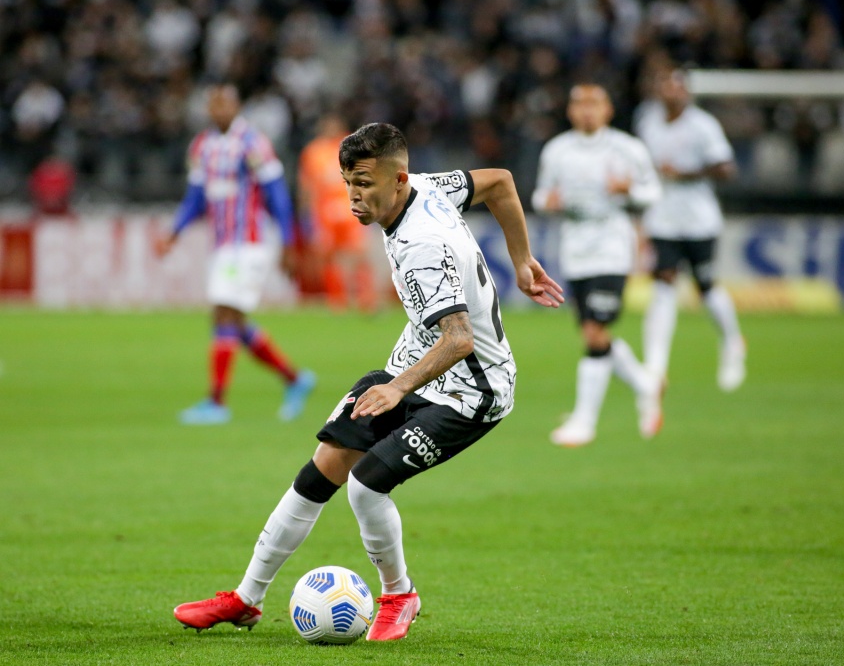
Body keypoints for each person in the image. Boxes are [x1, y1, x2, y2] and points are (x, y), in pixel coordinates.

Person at [172, 123, 564, 641]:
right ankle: (246, 599)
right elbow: (500, 183)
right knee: (322, 469)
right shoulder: (427, 186)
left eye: (364, 184)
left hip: (473, 391)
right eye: (348, 183)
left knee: (365, 484)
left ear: (398, 179)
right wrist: (521, 261)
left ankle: (400, 594)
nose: (354, 197)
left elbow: (459, 340)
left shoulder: (423, 244)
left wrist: (397, 388)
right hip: (415, 366)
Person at [155, 83, 315, 425]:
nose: (219, 109)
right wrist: (174, 232)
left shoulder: (253, 143)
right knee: (234, 321)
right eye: (213, 104)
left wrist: (288, 242)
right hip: (223, 245)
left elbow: (276, 195)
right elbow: (196, 197)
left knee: (223, 314)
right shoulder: (202, 146)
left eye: (224, 103)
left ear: (236, 105)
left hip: (250, 242)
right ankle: (294, 379)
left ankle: (216, 401)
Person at [532, 83, 664, 447]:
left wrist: (629, 192)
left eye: (594, 104)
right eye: (579, 104)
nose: (587, 110)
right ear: (571, 111)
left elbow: (653, 192)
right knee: (595, 332)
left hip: (612, 249)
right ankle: (645, 384)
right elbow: (541, 195)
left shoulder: (627, 148)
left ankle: (584, 422)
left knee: (593, 333)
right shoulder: (557, 150)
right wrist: (550, 202)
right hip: (575, 252)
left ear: (608, 110)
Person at [635, 67, 746, 392]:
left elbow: (727, 169)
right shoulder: (648, 122)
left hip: (699, 220)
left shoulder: (702, 125)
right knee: (663, 285)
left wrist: (685, 173)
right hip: (662, 218)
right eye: (665, 85)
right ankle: (656, 367)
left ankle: (733, 343)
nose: (670, 92)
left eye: (676, 86)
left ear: (686, 91)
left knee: (706, 286)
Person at [297, 113, 378, 311]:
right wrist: (306, 214)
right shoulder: (313, 151)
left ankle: (366, 298)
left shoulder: (354, 147)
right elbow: (306, 186)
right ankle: (337, 300)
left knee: (358, 253)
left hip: (352, 209)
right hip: (324, 213)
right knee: (328, 257)